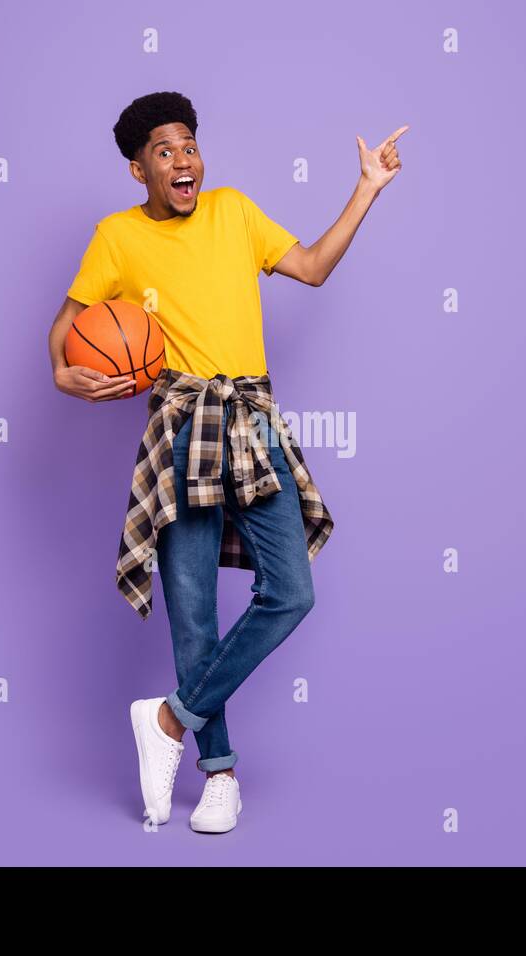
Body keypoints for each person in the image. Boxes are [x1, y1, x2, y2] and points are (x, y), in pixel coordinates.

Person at [47, 91, 406, 833]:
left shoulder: (234, 212)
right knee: (194, 617)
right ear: (137, 168)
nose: (184, 161)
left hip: (251, 421)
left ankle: (169, 723)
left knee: (291, 591)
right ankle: (219, 776)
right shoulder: (115, 238)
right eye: (165, 152)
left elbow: (308, 267)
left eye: (190, 146)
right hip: (181, 429)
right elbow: (66, 331)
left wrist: (366, 188)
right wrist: (65, 374)